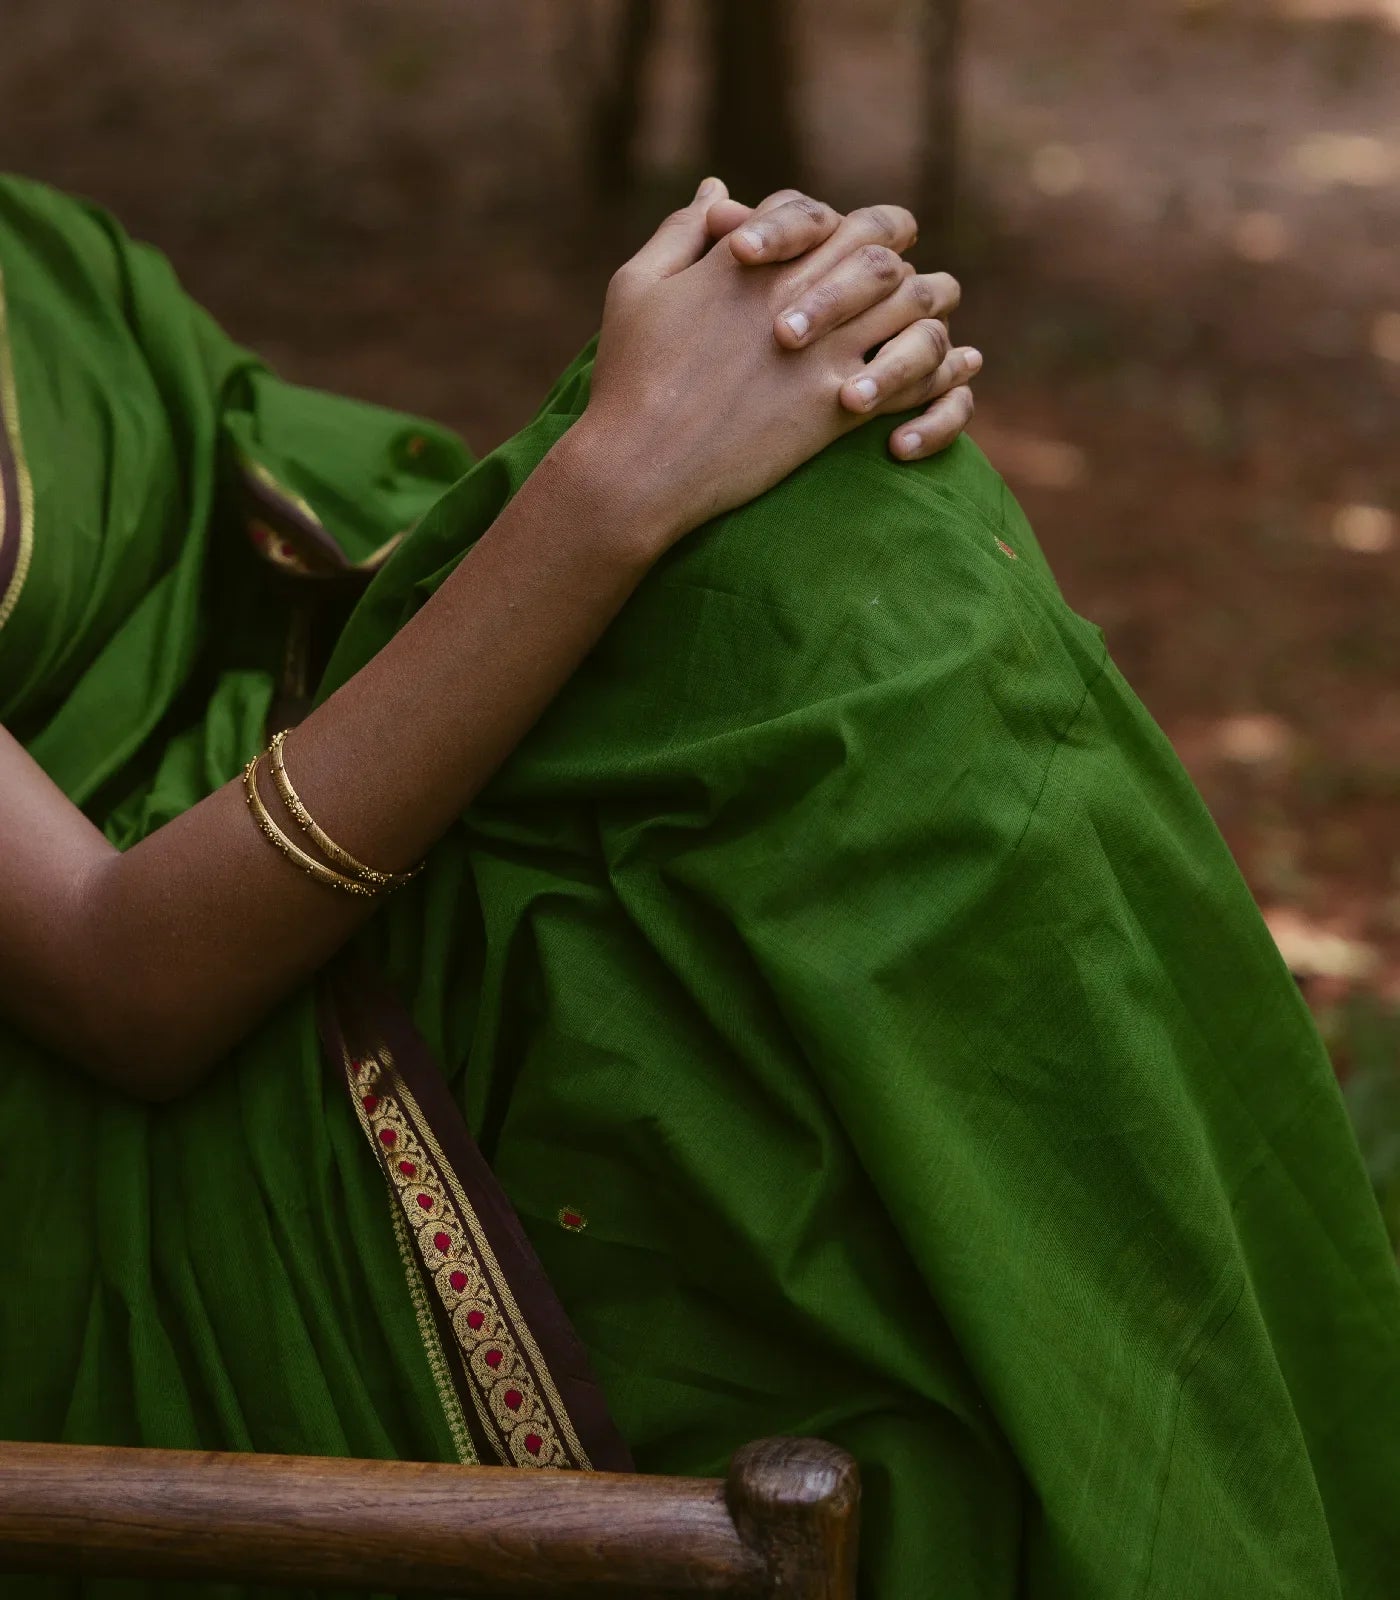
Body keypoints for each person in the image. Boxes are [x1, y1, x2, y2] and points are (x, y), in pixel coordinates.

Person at [0, 168, 1396, 1600]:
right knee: (844, 709)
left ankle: (1181, 1463)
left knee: (839, 527)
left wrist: (774, 354)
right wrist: (619, 474)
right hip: (143, 1088)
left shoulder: (26, 239)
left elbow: (274, 532)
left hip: (281, 781)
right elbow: (127, 983)